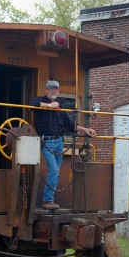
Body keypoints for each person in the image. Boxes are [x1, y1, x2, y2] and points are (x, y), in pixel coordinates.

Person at [30, 80, 96, 210]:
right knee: (54, 171)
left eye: (55, 89)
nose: (53, 91)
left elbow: (70, 125)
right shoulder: (40, 101)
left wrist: (85, 129)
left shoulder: (60, 108)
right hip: (46, 141)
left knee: (56, 172)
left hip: (59, 142)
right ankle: (47, 200)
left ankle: (50, 200)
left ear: (58, 91)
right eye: (50, 89)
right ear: (46, 90)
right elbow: (32, 103)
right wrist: (50, 106)